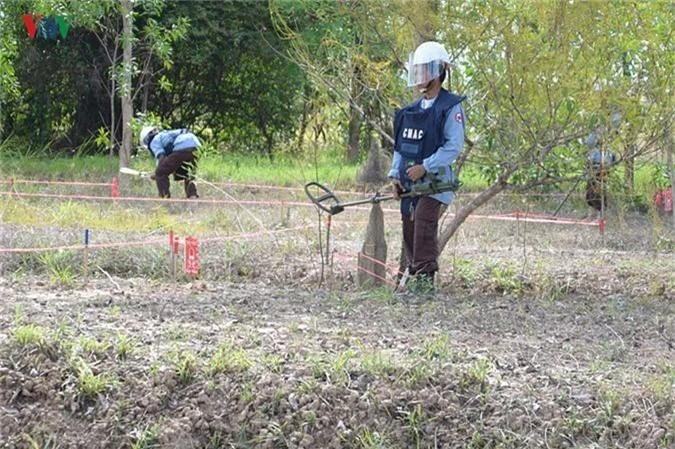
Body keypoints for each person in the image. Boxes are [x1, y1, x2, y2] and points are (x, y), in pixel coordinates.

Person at [387, 41, 466, 297]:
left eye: (425, 70)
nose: (420, 75)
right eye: (417, 70)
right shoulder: (409, 112)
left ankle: (424, 285)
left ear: (439, 71)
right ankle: (414, 279)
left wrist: (426, 166)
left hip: (435, 185)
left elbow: (453, 147)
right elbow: (400, 147)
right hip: (410, 185)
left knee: (423, 223)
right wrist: (395, 177)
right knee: (409, 226)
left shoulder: (450, 107)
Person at [139, 126, 201, 199]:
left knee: (160, 172)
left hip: (182, 145)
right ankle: (192, 198)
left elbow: (161, 158)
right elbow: (171, 164)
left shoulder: (154, 141)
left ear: (147, 139)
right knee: (188, 175)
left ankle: (165, 201)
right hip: (197, 146)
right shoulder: (165, 135)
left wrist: (157, 174)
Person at [585, 130, 616, 219]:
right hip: (593, 166)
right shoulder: (595, 134)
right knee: (590, 191)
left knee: (600, 191)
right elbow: (589, 143)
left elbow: (613, 157)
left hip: (603, 167)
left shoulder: (608, 146)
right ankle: (593, 212)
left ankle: (600, 214)